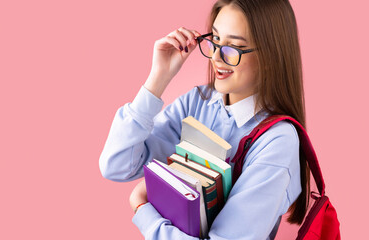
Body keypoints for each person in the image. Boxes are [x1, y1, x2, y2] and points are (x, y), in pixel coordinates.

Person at [99, 0, 310, 239]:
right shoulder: (197, 102)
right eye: (215, 41)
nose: (217, 57)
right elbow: (118, 165)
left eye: (234, 48)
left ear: (271, 56)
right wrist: (157, 79)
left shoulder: (278, 141)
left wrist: (142, 209)